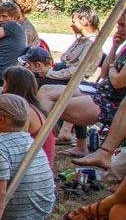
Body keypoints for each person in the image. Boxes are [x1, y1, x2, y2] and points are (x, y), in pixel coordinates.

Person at [38, 13, 126, 155]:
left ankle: (40, 148)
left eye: (122, 25)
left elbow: (117, 81)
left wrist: (112, 68)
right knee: (45, 91)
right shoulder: (123, 47)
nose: (118, 29)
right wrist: (114, 47)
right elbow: (104, 74)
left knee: (52, 105)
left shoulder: (89, 42)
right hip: (101, 90)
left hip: (112, 101)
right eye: (118, 25)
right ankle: (76, 146)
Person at [43, 6, 99, 86]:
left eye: (74, 22)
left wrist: (49, 73)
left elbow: (76, 71)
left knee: (37, 83)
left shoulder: (91, 43)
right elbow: (64, 57)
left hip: (73, 81)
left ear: (83, 21)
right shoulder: (81, 39)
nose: (72, 25)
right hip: (64, 73)